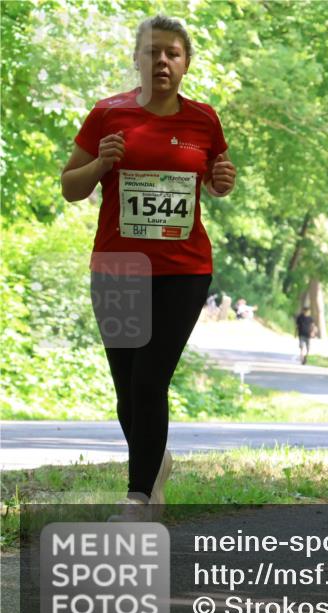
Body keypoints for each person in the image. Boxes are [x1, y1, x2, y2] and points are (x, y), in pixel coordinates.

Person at [60, 15, 235, 519]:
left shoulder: (204, 119)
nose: (161, 60)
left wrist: (223, 180)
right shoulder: (106, 115)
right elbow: (71, 187)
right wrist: (100, 164)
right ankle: (155, 463)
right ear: (136, 58)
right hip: (117, 265)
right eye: (152, 51)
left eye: (172, 53)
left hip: (184, 268)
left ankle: (137, 499)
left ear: (185, 63)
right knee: (126, 385)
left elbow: (218, 179)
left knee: (150, 378)